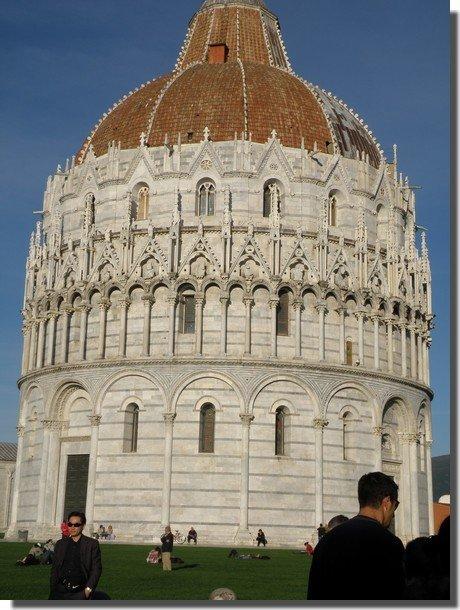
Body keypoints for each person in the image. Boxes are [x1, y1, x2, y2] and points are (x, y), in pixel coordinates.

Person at [307, 472, 405, 600]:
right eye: (395, 505)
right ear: (386, 502)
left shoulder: (326, 541)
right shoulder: (390, 544)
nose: (393, 514)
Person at [49, 511, 110, 600]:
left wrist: (88, 589)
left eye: (76, 525)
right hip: (59, 591)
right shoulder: (60, 544)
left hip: (80, 592)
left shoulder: (91, 544)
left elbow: (96, 569)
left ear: (83, 526)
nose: (72, 527)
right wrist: (53, 586)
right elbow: (55, 568)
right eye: (70, 524)